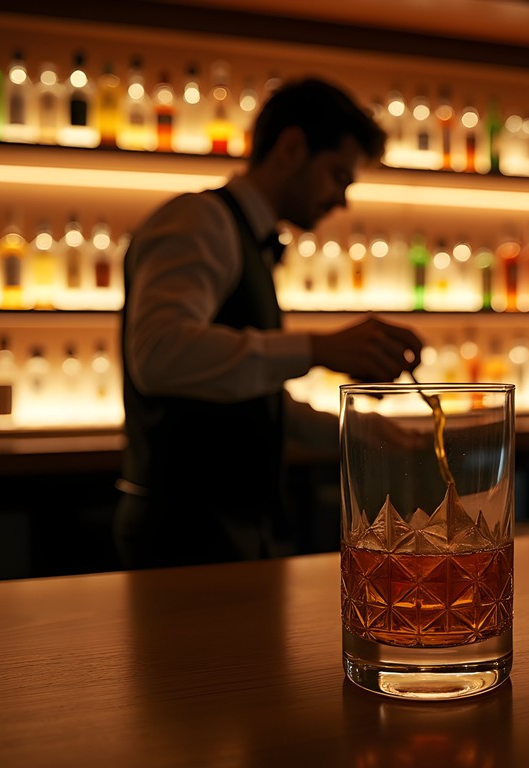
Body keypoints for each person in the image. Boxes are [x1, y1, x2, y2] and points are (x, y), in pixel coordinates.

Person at [115, 76, 424, 569]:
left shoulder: (248, 239)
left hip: (234, 529)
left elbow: (240, 394)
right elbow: (159, 355)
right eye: (337, 176)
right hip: (185, 534)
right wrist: (319, 350)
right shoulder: (200, 220)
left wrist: (356, 431)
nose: (341, 200)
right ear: (291, 147)